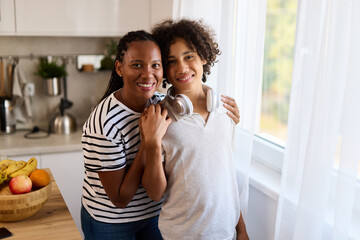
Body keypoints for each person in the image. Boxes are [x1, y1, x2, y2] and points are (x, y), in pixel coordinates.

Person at [80, 30, 241, 240]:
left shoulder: (161, 104)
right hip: (113, 221)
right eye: (137, 65)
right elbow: (119, 199)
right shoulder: (104, 123)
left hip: (154, 214)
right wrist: (149, 141)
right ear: (120, 68)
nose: (148, 74)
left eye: (155, 65)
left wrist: (228, 119)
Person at [141, 19, 249, 240]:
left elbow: (226, 179)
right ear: (164, 70)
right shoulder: (159, 118)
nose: (182, 68)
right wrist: (151, 143)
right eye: (171, 61)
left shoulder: (225, 112)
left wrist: (241, 229)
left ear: (204, 57)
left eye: (188, 56)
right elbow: (154, 193)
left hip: (226, 233)